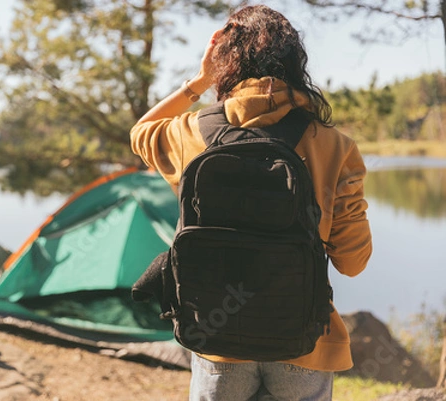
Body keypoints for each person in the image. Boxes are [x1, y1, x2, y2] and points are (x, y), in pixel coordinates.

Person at [129, 4, 372, 401]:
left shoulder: (191, 132)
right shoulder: (336, 146)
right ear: (296, 64)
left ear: (224, 64)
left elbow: (141, 132)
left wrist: (198, 81)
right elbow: (353, 262)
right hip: (304, 341)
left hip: (216, 339)